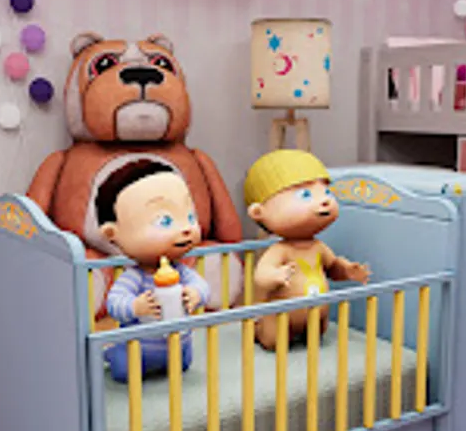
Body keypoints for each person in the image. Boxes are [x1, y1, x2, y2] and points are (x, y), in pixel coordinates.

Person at [242, 150, 371, 350]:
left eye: (326, 192)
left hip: (315, 316)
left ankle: (309, 333)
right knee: (274, 341)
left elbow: (332, 268)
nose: (325, 200)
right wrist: (275, 276)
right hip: (281, 318)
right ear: (259, 212)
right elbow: (261, 276)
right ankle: (258, 329)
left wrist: (346, 270)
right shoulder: (280, 250)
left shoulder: (319, 248)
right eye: (305, 195)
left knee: (316, 336)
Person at [98, 160, 211, 382]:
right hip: (139, 350)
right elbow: (115, 303)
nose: (186, 228)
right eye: (164, 221)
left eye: (190, 217)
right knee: (124, 371)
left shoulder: (180, 272)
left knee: (183, 365)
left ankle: (175, 358)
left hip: (178, 345)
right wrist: (135, 306)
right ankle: (112, 354)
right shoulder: (135, 277)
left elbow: (201, 286)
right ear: (112, 234)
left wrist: (196, 294)